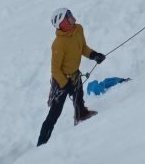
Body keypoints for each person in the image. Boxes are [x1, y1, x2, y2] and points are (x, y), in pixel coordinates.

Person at [36, 8, 106, 147]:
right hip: (61, 79)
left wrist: (94, 55)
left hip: (74, 74)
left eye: (70, 15)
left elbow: (83, 47)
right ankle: (42, 143)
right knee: (55, 113)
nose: (72, 18)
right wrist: (64, 84)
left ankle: (81, 114)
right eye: (68, 17)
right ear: (62, 23)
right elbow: (55, 69)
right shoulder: (58, 44)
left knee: (79, 96)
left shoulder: (78, 29)